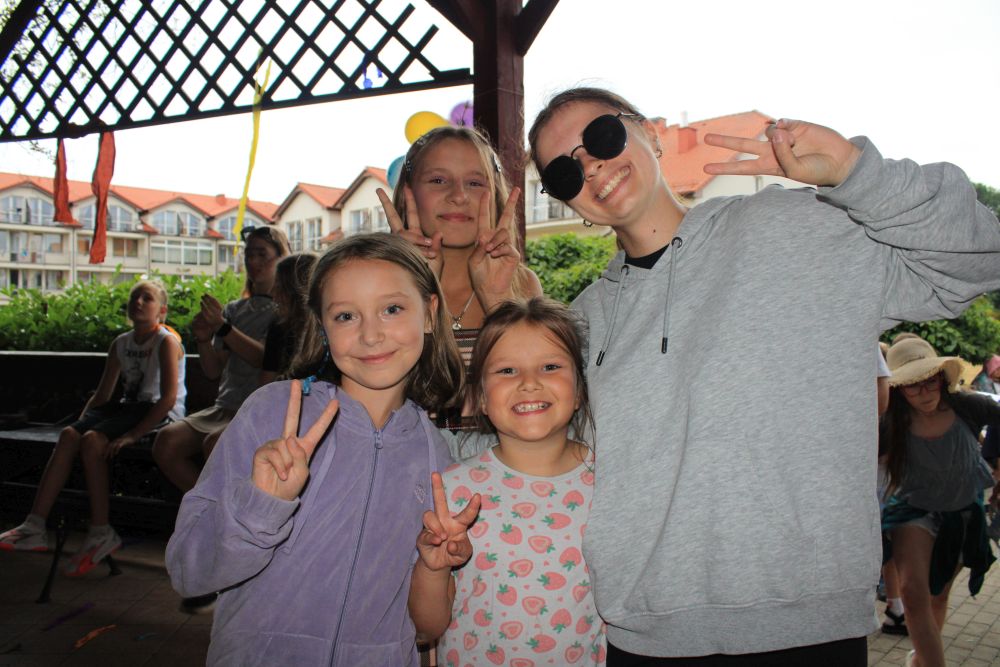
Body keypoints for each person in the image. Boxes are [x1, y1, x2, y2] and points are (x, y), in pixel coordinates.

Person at [524, 87, 1000, 664]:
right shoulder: (582, 323)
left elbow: (979, 258)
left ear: (649, 132)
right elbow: (549, 455)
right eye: (563, 172)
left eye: (602, 137)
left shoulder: (795, 227)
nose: (591, 167)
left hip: (805, 621)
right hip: (643, 632)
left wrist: (856, 173)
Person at [165, 234, 473, 666]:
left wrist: (435, 567)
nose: (371, 335)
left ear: (429, 312)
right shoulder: (274, 414)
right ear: (322, 327)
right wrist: (260, 506)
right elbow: (188, 571)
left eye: (392, 309)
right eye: (346, 315)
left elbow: (425, 628)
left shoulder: (436, 456)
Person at [411, 297, 608, 665]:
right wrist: (433, 568)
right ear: (480, 398)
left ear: (580, 391)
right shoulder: (453, 492)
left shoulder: (610, 483)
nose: (529, 383)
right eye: (507, 371)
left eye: (550, 366)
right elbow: (427, 628)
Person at [0, 280, 185, 576]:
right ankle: (35, 525)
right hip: (127, 409)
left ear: (161, 310)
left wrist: (131, 436)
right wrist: (81, 422)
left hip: (157, 414)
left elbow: (168, 399)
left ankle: (100, 530)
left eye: (146, 298)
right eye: (134, 297)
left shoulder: (166, 341)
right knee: (70, 435)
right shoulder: (121, 343)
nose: (138, 302)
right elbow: (103, 395)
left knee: (93, 441)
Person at [378, 126, 543, 428]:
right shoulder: (375, 285)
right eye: (438, 180)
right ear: (408, 192)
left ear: (494, 195)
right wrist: (408, 291)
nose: (458, 196)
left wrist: (499, 303)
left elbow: (538, 392)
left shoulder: (522, 284)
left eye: (475, 183)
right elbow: (374, 395)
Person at [880, 337, 998, 667]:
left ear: (941, 378)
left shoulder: (969, 406)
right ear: (899, 389)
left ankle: (921, 660)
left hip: (962, 516)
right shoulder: (891, 423)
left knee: (938, 596)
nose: (924, 392)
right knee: (913, 593)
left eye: (929, 381)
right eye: (913, 385)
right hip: (912, 513)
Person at [153, 225, 288, 493]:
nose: (253, 262)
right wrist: (204, 338)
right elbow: (214, 370)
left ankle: (223, 510)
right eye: (249, 255)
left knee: (215, 445)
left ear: (282, 257)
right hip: (225, 406)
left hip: (257, 411)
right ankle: (210, 508)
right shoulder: (234, 309)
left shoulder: (285, 313)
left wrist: (223, 327)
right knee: (165, 443)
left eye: (262, 254)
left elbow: (265, 359)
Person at [259, 252, 318, 385]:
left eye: (279, 286)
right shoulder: (278, 328)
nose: (271, 292)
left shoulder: (326, 335)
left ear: (297, 293)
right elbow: (266, 386)